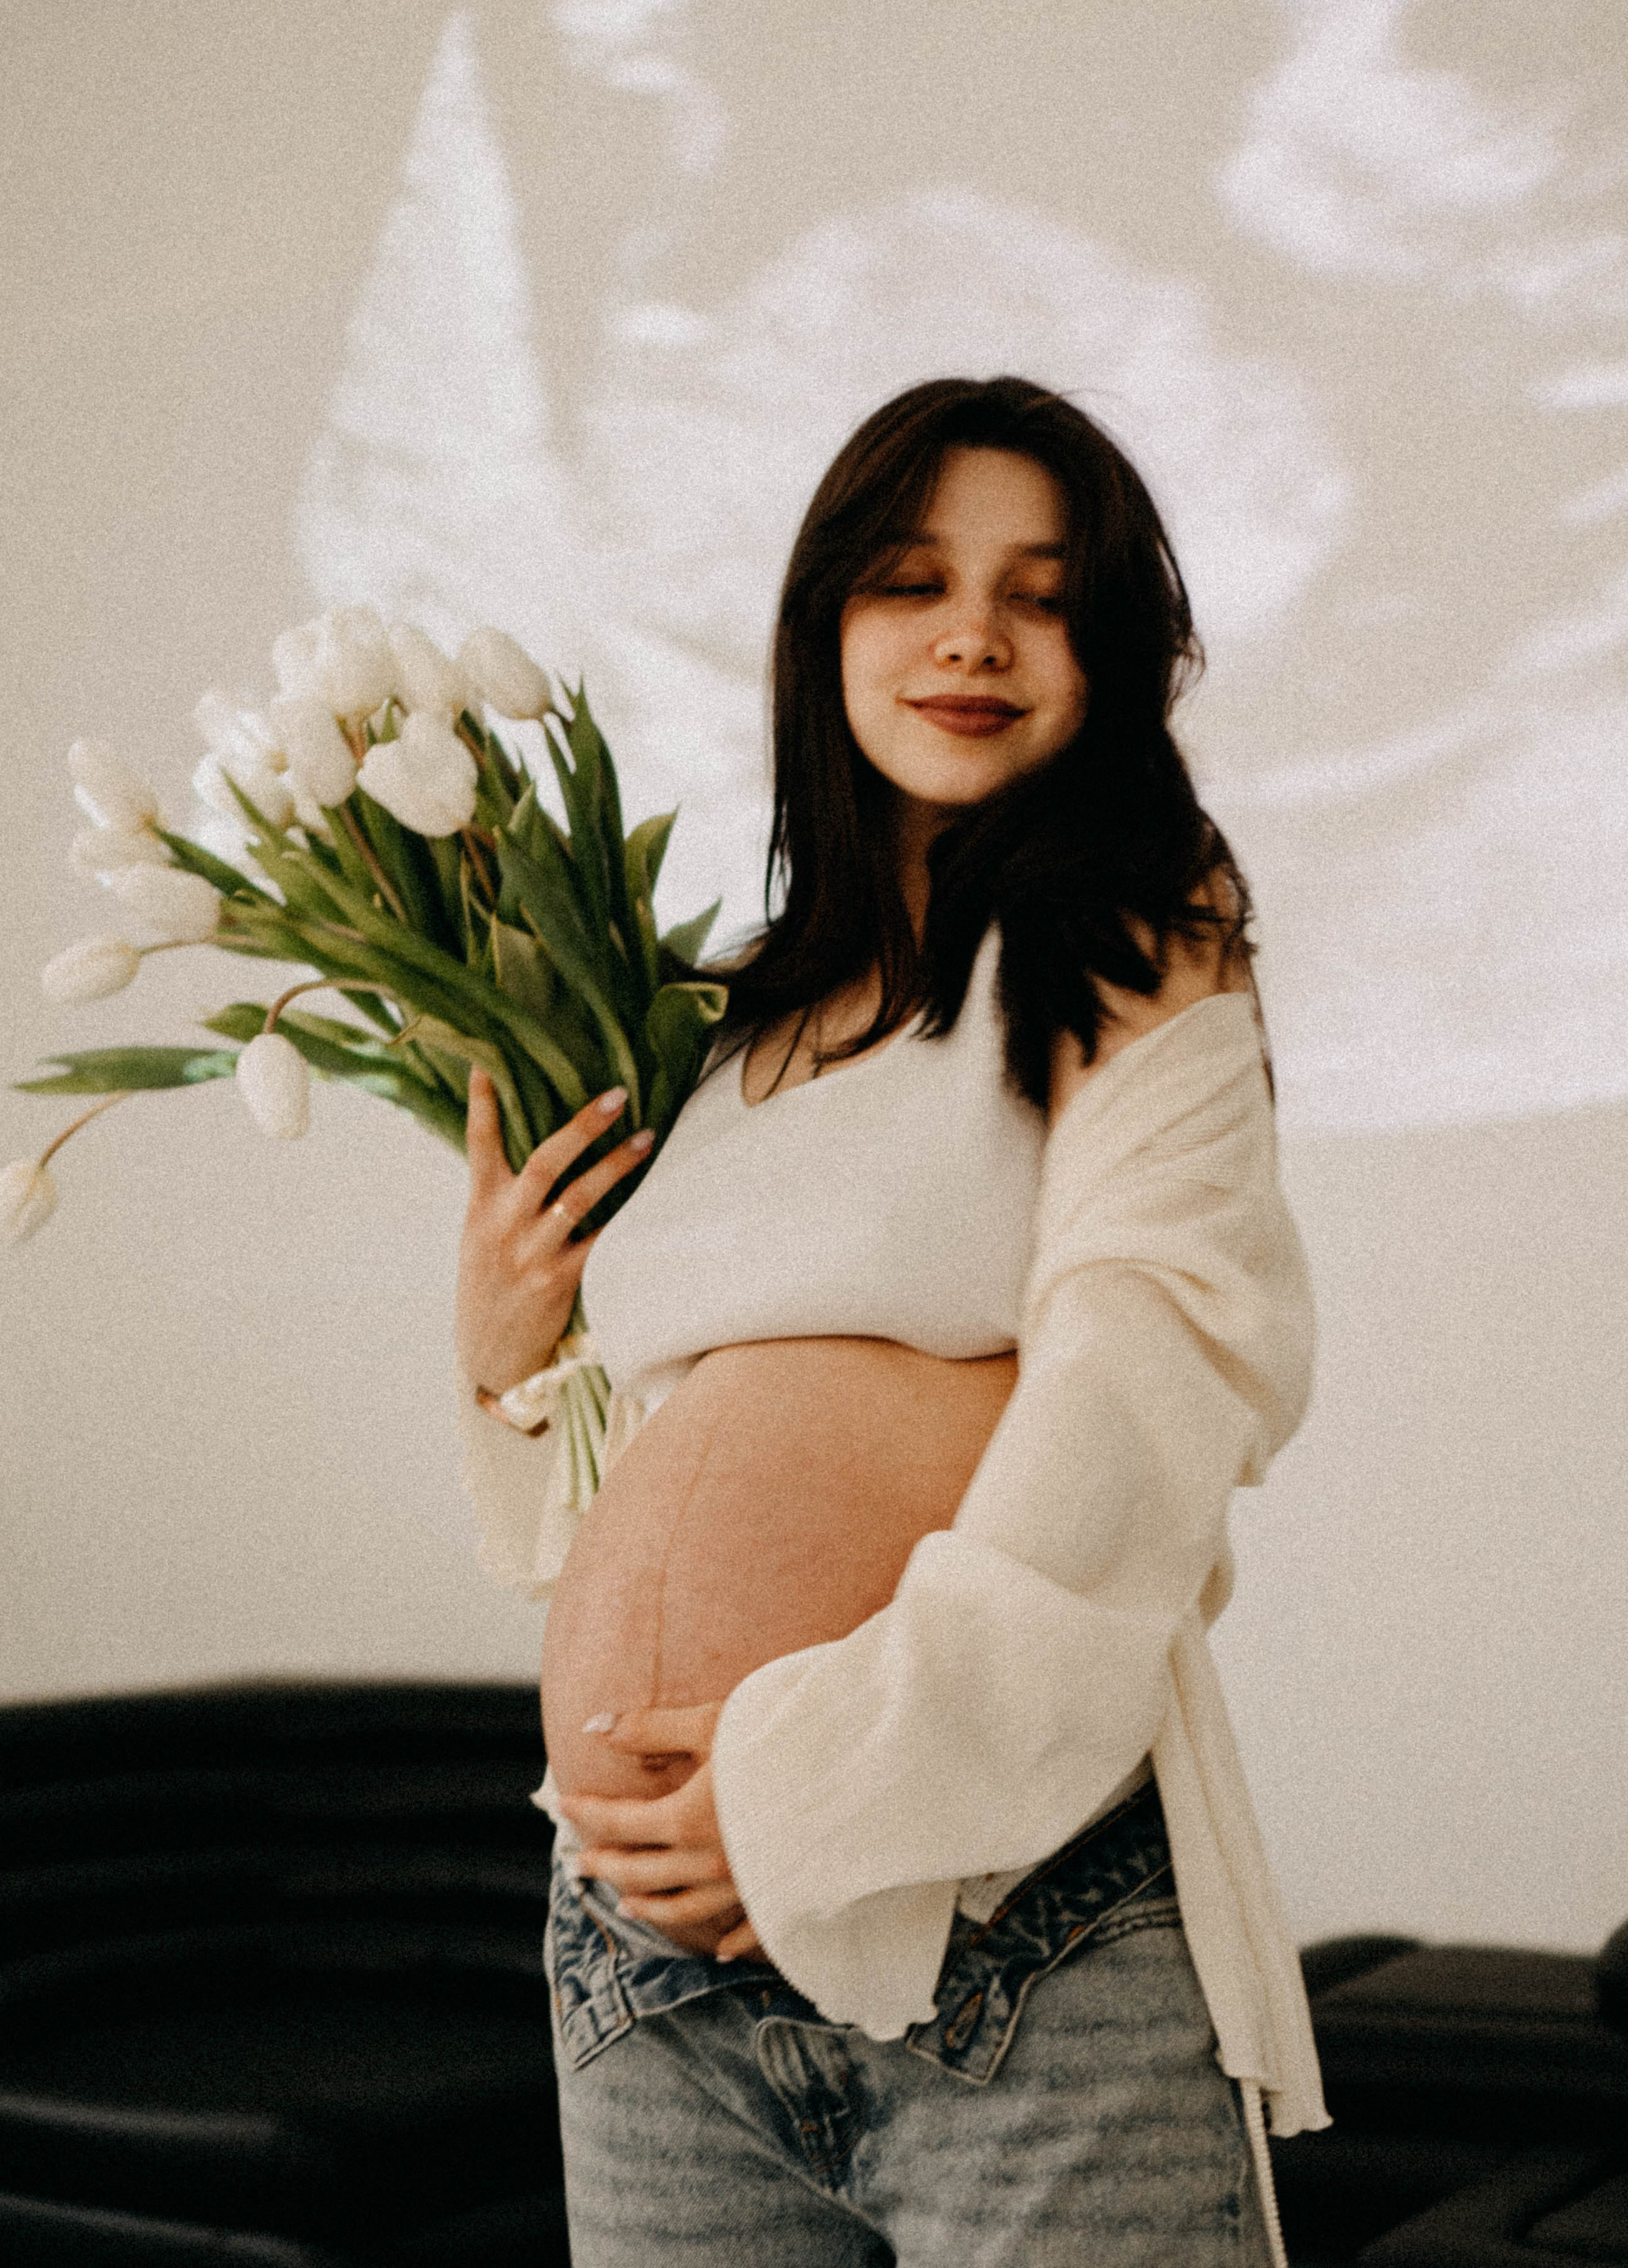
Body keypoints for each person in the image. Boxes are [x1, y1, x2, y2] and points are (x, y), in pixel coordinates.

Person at [454, 376, 1329, 2266]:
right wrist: (508, 1354)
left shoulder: (1137, 948)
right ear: (823, 628)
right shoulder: (728, 1024)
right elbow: (607, 1507)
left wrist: (814, 1786)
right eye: (911, 581)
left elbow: (1147, 1412)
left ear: (1112, 653)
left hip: (1002, 1913)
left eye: (1040, 594)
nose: (970, 636)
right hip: (640, 1958)